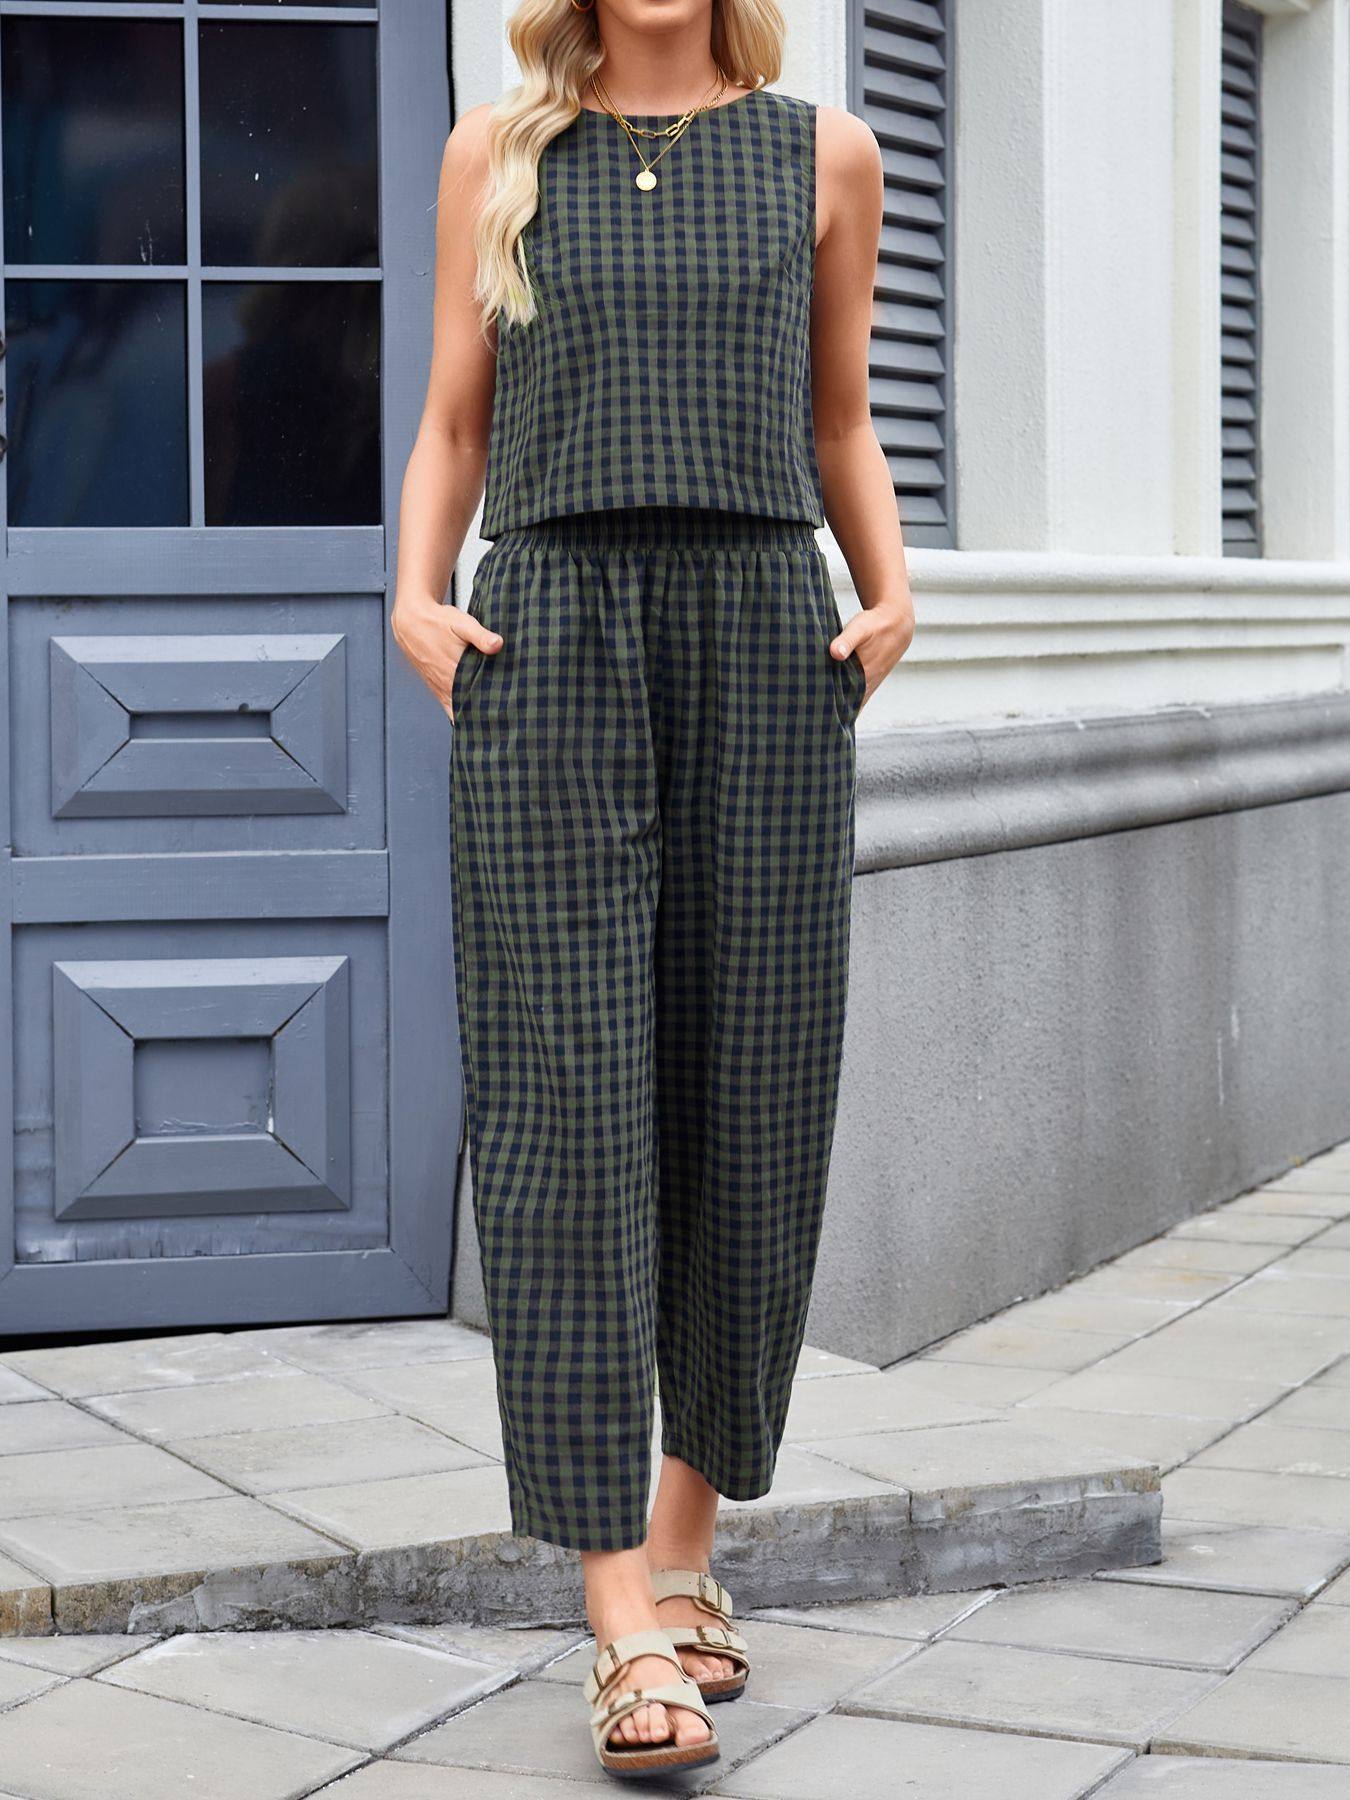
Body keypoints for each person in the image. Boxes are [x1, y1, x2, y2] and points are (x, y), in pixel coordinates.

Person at [392, 0, 914, 1777]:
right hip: (549, 636)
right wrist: (413, 596)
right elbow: (453, 424)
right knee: (563, 1111)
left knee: (752, 1094)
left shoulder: (824, 151)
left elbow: (838, 416)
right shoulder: (496, 149)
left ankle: (687, 1541)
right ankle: (617, 1605)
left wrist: (892, 593)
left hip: (763, 637)